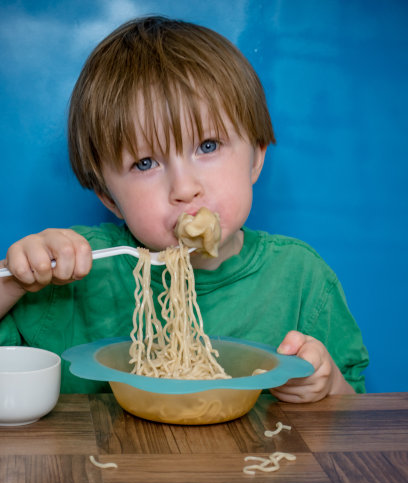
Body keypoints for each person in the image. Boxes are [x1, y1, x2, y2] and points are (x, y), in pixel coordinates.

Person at [0, 15, 368, 401]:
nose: (184, 188)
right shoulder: (78, 273)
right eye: (145, 163)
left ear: (255, 159)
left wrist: (327, 387)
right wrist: (16, 279)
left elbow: (354, 417)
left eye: (207, 146)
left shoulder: (301, 279)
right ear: (109, 198)